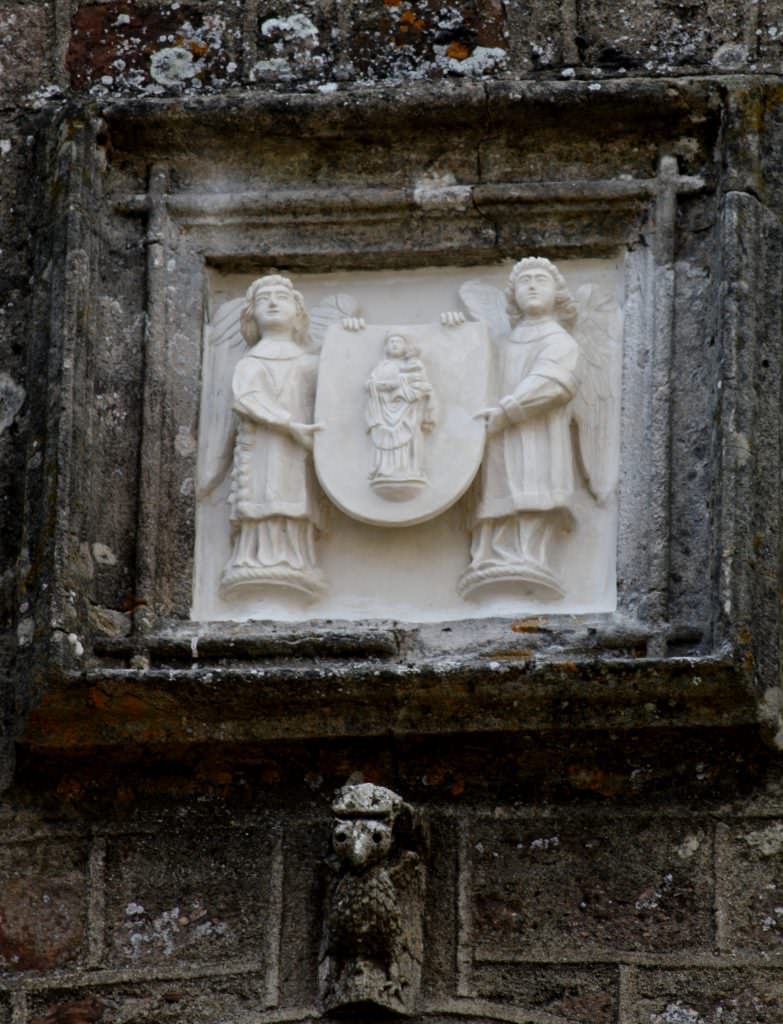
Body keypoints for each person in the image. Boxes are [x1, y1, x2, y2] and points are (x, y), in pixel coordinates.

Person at [460, 257, 580, 599]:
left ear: (558, 293)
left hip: (534, 434)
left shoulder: (561, 341)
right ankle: (488, 558)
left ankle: (531, 558)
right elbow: (470, 371)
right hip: (497, 436)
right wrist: (455, 330)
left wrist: (508, 410)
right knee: (495, 492)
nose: (531, 285)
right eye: (524, 281)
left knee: (531, 489)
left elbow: (552, 383)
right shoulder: (503, 343)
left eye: (540, 279)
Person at [221, 274, 325, 597]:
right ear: (251, 315)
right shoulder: (250, 361)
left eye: (282, 296)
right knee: (263, 495)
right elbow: (246, 399)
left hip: (300, 448)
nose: (272, 301)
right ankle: (254, 559)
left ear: (299, 314)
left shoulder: (309, 361)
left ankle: (298, 560)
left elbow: (340, 381)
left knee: (297, 497)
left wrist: (351, 337)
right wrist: (286, 424)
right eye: (264, 298)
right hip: (264, 445)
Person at [365, 333, 436, 497]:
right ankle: (384, 470)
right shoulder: (381, 366)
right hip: (383, 409)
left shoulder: (411, 364)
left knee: (409, 436)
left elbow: (421, 385)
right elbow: (370, 383)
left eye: (398, 341)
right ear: (385, 347)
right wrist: (375, 385)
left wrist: (398, 386)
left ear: (405, 346)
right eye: (391, 342)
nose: (395, 344)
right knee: (384, 438)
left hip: (406, 410)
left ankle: (409, 469)